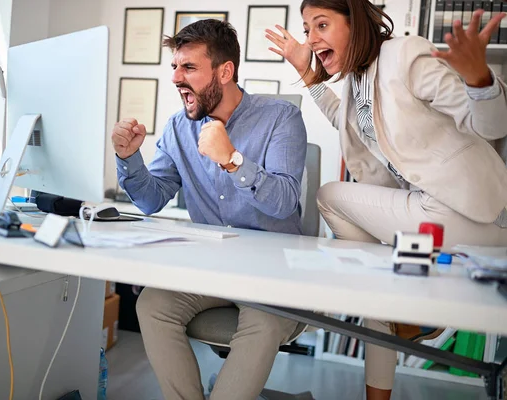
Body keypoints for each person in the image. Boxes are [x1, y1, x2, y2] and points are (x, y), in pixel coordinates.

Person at [266, 1, 507, 399]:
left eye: (321, 24)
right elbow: (343, 118)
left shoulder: (404, 54)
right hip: (434, 213)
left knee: (330, 196)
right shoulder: (358, 79)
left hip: (471, 212)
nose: (310, 38)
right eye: (307, 28)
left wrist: (479, 79)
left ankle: (375, 296)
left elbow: (491, 125)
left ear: (355, 22)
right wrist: (306, 71)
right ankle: (389, 314)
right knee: (379, 291)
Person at [111, 19, 308, 400]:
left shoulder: (280, 117)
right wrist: (129, 158)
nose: (176, 78)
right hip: (213, 269)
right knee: (152, 302)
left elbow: (284, 202)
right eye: (174, 67)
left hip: (272, 272)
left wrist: (233, 160)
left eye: (189, 68)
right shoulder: (177, 129)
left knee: (264, 322)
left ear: (225, 71)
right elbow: (152, 199)